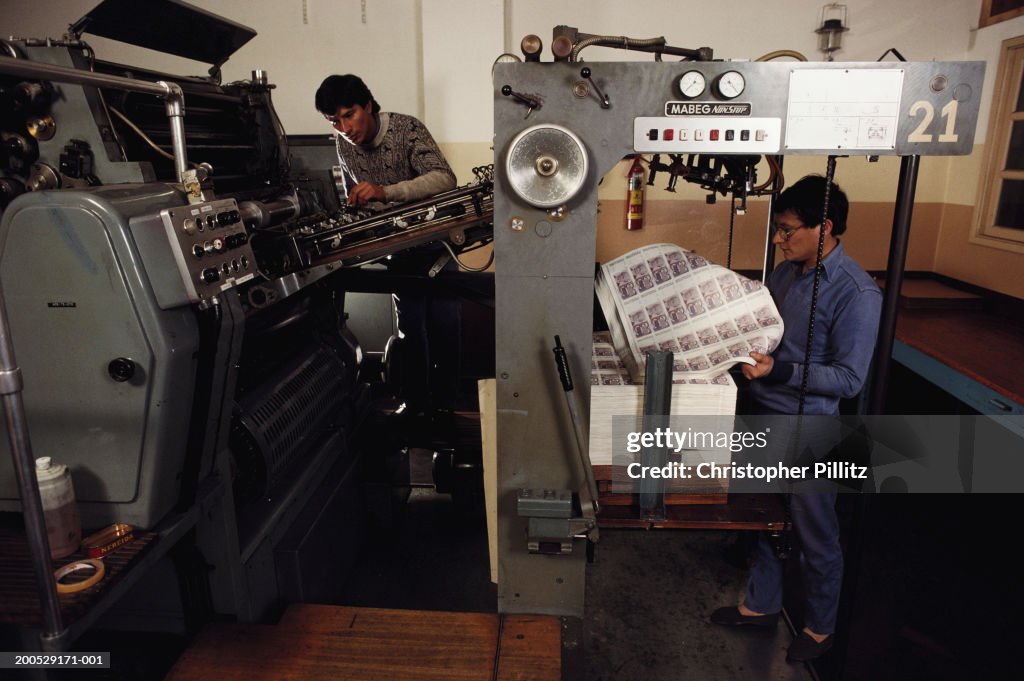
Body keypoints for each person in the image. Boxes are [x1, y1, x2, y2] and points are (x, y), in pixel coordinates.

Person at [710, 175, 882, 663]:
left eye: (787, 230)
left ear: (824, 227)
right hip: (767, 414)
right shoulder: (788, 274)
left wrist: (777, 369)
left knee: (815, 534)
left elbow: (849, 379)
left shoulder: (857, 293)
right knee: (768, 520)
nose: (778, 240)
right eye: (778, 230)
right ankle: (761, 606)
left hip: (815, 430)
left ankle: (822, 628)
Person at [315, 75, 458, 411]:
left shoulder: (407, 129)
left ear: (368, 105)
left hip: (438, 247)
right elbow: (369, 201)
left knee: (445, 328)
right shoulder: (343, 144)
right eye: (335, 122)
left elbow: (443, 178)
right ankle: (417, 409)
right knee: (411, 331)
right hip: (398, 251)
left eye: (349, 114)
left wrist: (385, 192)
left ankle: (447, 410)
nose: (344, 128)